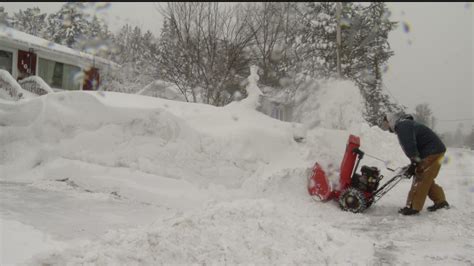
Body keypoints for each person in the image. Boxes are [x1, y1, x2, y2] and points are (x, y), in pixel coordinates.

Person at [382, 112, 450, 215]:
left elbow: (410, 146)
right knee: (426, 177)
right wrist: (414, 162)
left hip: (432, 152)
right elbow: (413, 146)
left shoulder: (403, 126)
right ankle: (440, 202)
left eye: (386, 124)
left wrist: (414, 163)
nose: (387, 128)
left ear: (391, 121)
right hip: (435, 150)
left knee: (421, 177)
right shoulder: (404, 125)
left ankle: (413, 207)